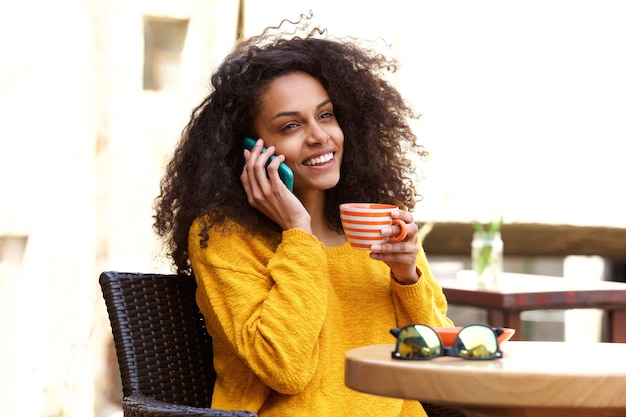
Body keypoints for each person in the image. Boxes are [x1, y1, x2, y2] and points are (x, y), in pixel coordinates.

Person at [153, 13, 453, 417]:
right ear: (251, 148)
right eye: (291, 125)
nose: (319, 136)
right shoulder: (223, 236)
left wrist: (406, 277)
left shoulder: (375, 225)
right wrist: (298, 231)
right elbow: (285, 369)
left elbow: (439, 363)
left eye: (326, 115)